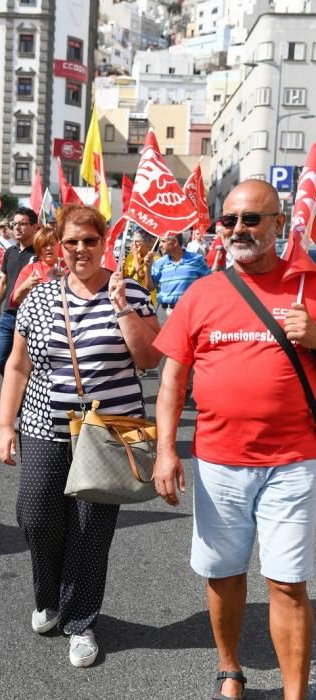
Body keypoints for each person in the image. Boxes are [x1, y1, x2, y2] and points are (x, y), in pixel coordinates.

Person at [152, 179, 316, 700]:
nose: (238, 229)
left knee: (288, 582)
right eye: (229, 220)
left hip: (295, 459)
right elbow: (172, 380)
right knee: (223, 574)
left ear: (279, 225)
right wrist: (164, 451)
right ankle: (230, 669)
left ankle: (295, 693)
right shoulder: (202, 292)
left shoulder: (308, 286)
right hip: (220, 460)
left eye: (251, 219)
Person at [0, 204, 161, 668]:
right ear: (58, 246)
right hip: (43, 427)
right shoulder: (39, 298)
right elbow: (17, 366)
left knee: (90, 531)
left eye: (90, 240)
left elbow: (149, 359)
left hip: (107, 432)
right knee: (37, 518)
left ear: (103, 241)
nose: (81, 250)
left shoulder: (130, 292)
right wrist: (5, 425)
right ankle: (48, 597)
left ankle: (79, 620)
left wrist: (122, 307)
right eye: (72, 242)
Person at [0, 207, 38, 375]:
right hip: (9, 315)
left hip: (32, 317)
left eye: (22, 224)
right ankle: (19, 392)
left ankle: (22, 397)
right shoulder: (10, 252)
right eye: (14, 224)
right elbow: (3, 283)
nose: (17, 227)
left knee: (29, 363)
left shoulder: (40, 253)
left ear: (34, 227)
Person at [148, 232, 211, 326]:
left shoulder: (196, 259)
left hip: (188, 312)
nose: (160, 245)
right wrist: (147, 267)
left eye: (163, 241)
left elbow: (209, 283)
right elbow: (150, 287)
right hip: (164, 313)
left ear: (175, 242)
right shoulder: (159, 263)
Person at [10, 225, 64, 307]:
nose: (49, 248)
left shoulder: (68, 269)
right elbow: (15, 299)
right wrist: (26, 285)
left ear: (58, 245)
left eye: (52, 244)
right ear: (38, 248)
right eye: (44, 245)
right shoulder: (30, 269)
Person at [123, 228, 158, 304]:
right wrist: (122, 267)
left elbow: (141, 275)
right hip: (130, 296)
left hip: (146, 299)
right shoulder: (130, 256)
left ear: (147, 244)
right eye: (133, 241)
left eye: (137, 242)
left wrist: (135, 255)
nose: (133, 245)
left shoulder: (155, 259)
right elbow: (126, 277)